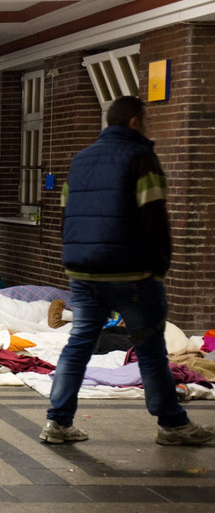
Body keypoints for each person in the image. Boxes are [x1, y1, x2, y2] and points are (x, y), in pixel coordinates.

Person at [42, 95, 214, 447]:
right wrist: (159, 268)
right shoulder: (141, 158)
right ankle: (172, 424)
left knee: (78, 346)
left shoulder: (80, 160)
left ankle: (57, 423)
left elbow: (66, 216)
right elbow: (154, 219)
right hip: (131, 273)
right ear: (135, 121)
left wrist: (74, 259)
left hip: (84, 273)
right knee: (150, 349)